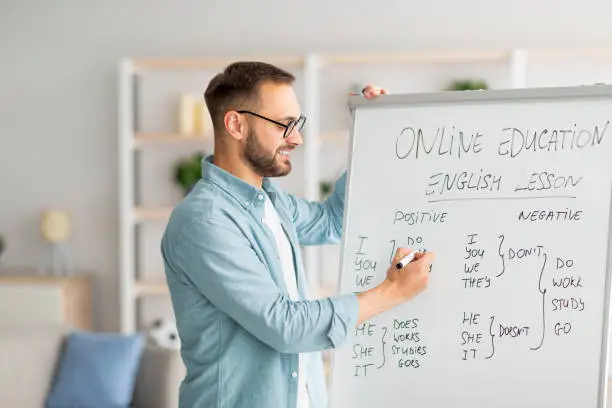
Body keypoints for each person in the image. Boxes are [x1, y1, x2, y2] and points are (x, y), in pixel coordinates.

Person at [160, 61, 435, 408]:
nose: (297, 138)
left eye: (297, 124)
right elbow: (286, 326)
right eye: (284, 125)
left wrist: (374, 131)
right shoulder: (204, 222)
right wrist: (392, 292)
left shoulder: (272, 203)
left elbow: (334, 222)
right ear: (236, 124)